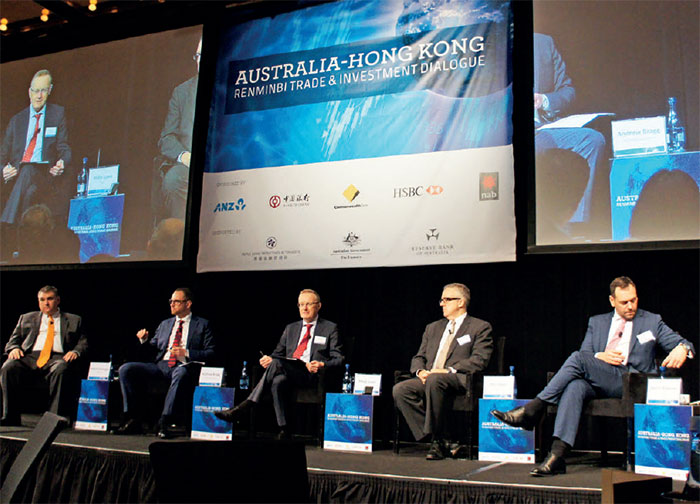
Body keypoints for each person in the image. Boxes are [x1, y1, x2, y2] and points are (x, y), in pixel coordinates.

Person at [492, 276, 695, 476]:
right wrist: (600, 356)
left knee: (577, 359)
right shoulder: (597, 322)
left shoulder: (651, 320)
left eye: (634, 300)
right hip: (601, 378)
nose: (630, 306)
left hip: (632, 382)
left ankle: (534, 408)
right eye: (624, 302)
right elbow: (586, 354)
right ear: (612, 301)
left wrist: (682, 348)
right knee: (575, 386)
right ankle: (557, 456)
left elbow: (684, 343)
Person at [215, 289, 344, 439]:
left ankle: (245, 406)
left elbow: (339, 358)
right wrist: (269, 359)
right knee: (277, 381)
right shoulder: (291, 328)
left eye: (308, 304)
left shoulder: (329, 328)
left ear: (319, 306)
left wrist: (321, 364)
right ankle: (284, 429)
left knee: (277, 366)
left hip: (310, 374)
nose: (304, 308)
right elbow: (278, 354)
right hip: (288, 371)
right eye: (301, 304)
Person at [393, 283, 493, 460]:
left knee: (435, 379)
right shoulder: (433, 328)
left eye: (446, 299)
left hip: (459, 378)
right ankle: (442, 438)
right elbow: (419, 356)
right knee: (401, 389)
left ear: (461, 302)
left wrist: (448, 370)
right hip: (430, 378)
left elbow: (479, 360)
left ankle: (439, 441)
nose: (441, 304)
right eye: (442, 300)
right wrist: (419, 371)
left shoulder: (479, 327)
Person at [115, 287, 215, 438]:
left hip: (184, 366)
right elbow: (152, 349)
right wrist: (144, 340)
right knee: (126, 369)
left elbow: (211, 352)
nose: (172, 304)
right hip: (161, 365)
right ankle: (132, 418)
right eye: (171, 301)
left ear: (188, 304)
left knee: (180, 372)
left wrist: (186, 353)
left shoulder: (202, 324)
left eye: (176, 301)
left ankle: (165, 420)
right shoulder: (165, 324)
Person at [534, 33, 605, 225]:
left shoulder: (543, 42)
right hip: (507, 131)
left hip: (544, 127)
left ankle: (574, 224)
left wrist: (544, 100)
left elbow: (567, 90)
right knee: (540, 145)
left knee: (592, 139)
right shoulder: (489, 46)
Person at [0, 285, 87, 425]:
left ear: (58, 300)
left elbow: (83, 343)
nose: (46, 303)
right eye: (42, 300)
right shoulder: (27, 318)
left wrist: (75, 351)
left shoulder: (74, 319)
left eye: (50, 299)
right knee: (8, 367)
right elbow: (12, 341)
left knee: (61, 368)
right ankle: (10, 416)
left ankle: (52, 420)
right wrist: (13, 349)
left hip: (57, 357)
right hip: (29, 357)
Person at [1, 70, 71, 231]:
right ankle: (20, 235)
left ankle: (6, 224)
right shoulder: (17, 120)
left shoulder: (57, 114)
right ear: (29, 92)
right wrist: (3, 171)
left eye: (43, 90)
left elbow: (64, 147)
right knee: (29, 190)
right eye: (35, 91)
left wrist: (62, 162)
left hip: (45, 176)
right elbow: (1, 156)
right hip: (18, 177)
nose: (38, 96)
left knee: (29, 168)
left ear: (50, 90)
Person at [156, 38, 200, 220]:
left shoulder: (229, 87)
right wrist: (184, 156)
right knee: (173, 181)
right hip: (189, 164)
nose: (200, 60)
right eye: (198, 55)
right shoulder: (181, 93)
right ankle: (180, 238)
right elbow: (166, 138)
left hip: (224, 163)